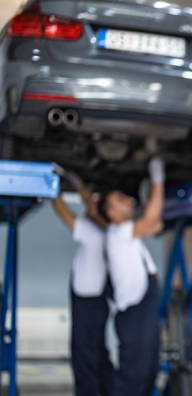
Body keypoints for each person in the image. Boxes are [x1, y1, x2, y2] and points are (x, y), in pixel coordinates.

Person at [97, 158, 165, 396]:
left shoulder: (125, 234)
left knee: (146, 377)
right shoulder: (118, 233)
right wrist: (157, 180)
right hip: (135, 317)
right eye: (120, 200)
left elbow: (155, 226)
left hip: (141, 314)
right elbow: (150, 221)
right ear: (112, 214)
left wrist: (148, 209)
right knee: (131, 382)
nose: (127, 199)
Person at [52, 166, 113, 396]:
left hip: (88, 307)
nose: (90, 207)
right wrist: (78, 184)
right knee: (97, 356)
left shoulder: (92, 233)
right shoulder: (105, 231)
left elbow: (62, 211)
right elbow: (93, 207)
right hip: (95, 305)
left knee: (85, 361)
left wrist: (52, 188)